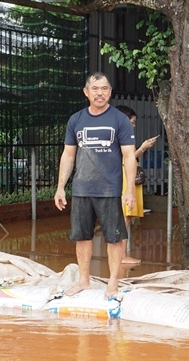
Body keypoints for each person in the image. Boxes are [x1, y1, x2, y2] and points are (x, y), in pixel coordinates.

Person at [54, 72, 137, 299]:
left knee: (115, 237)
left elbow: (129, 156)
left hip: (110, 190)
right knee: (82, 236)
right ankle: (84, 280)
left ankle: (112, 282)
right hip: (81, 188)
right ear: (86, 92)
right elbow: (68, 155)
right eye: (95, 88)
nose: (100, 93)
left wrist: (129, 190)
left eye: (104, 89)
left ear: (110, 92)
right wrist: (61, 187)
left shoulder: (120, 120)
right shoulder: (76, 120)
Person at [115, 105, 158, 265]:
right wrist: (143, 148)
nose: (133, 126)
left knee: (126, 218)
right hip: (126, 178)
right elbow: (129, 158)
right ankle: (121, 256)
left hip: (126, 177)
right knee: (124, 218)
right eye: (132, 122)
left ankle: (121, 255)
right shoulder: (122, 137)